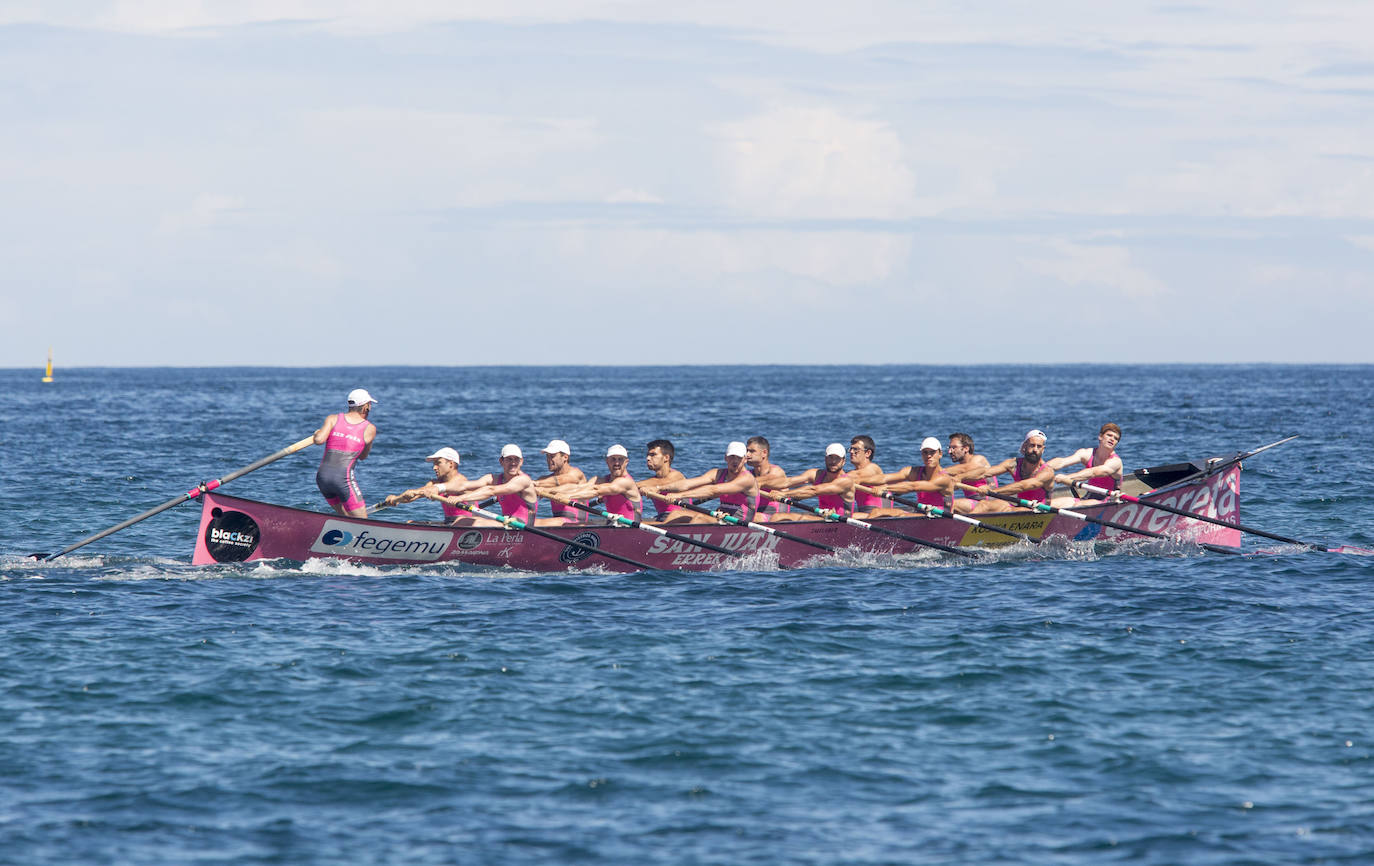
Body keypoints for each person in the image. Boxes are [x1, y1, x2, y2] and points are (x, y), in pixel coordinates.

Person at [425, 443, 538, 526]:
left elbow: (490, 491)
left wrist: (460, 498)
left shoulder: (523, 480)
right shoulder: (493, 478)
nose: (513, 463)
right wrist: (438, 488)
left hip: (523, 528)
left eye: (516, 460)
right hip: (508, 523)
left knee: (467, 521)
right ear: (501, 461)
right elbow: (464, 485)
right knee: (464, 521)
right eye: (509, 459)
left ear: (521, 461)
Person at [656, 440, 760, 524]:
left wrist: (679, 495)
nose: (735, 461)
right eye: (732, 457)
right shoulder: (718, 473)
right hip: (721, 518)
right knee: (676, 514)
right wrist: (658, 488)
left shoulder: (747, 479)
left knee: (700, 519)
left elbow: (713, 490)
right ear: (725, 458)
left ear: (745, 459)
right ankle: (657, 540)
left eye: (739, 458)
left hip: (739, 524)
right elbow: (687, 483)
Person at [313, 388, 378, 518]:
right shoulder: (370, 428)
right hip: (342, 480)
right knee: (362, 521)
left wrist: (316, 433)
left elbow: (319, 440)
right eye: (369, 404)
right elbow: (363, 457)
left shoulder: (332, 419)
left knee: (344, 518)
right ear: (365, 407)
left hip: (322, 478)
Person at [545, 444, 643, 523]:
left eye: (620, 459)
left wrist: (567, 496)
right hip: (613, 526)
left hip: (630, 529)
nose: (616, 463)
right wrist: (548, 491)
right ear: (607, 461)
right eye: (613, 459)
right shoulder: (600, 479)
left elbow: (595, 491)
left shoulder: (626, 482)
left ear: (626, 462)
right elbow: (580, 487)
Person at [964, 429, 1055, 513]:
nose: (1035, 449)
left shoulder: (1047, 472)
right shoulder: (1013, 464)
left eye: (1039, 447)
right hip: (1020, 507)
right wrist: (958, 478)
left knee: (1006, 508)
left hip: (1039, 511)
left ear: (1043, 450)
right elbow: (985, 472)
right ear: (1025, 446)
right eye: (1032, 445)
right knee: (983, 504)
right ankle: (964, 527)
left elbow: (1023, 486)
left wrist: (992, 492)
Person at [865, 437, 955, 517]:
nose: (928, 456)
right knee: (876, 512)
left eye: (932, 452)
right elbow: (884, 478)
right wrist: (858, 481)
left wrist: (886, 487)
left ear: (940, 454)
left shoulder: (944, 478)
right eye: (925, 452)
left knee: (900, 515)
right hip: (922, 514)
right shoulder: (915, 472)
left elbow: (913, 486)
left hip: (939, 517)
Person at [763, 443, 855, 520]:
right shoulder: (816, 474)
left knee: (778, 517)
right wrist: (760, 484)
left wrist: (783, 494)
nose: (833, 461)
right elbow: (787, 482)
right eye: (830, 457)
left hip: (839, 522)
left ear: (843, 461)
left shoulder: (846, 481)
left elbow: (813, 490)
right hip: (823, 517)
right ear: (825, 459)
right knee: (777, 517)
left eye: (837, 458)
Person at [380, 447, 468, 523]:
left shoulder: (461, 481)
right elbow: (414, 496)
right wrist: (396, 499)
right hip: (449, 522)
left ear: (451, 464)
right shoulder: (435, 483)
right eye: (434, 464)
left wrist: (415, 492)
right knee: (410, 523)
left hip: (466, 524)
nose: (434, 468)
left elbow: (451, 486)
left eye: (438, 463)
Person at [1048, 422, 1124, 506]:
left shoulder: (1115, 462)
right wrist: (1044, 468)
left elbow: (1093, 472)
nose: (1112, 439)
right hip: (1089, 497)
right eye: (1109, 435)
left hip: (1109, 501)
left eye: (1116, 438)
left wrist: (1067, 478)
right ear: (1100, 436)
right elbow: (1062, 462)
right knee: (1049, 504)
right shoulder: (1087, 453)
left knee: (1078, 505)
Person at [533, 439, 588, 525]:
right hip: (559, 522)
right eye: (547, 456)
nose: (548, 460)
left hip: (577, 523)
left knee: (535, 523)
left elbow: (560, 480)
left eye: (552, 456)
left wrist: (537, 484)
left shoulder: (576, 474)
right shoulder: (545, 479)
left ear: (565, 457)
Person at [945, 432, 996, 514]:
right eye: (949, 447)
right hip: (973, 503)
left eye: (954, 447)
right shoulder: (958, 470)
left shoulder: (979, 459)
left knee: (953, 504)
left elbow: (966, 468)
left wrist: (939, 472)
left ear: (966, 448)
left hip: (989, 502)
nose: (949, 451)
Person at [638, 439, 687, 522]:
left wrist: (629, 485)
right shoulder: (651, 481)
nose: (648, 458)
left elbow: (661, 482)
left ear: (666, 458)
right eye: (647, 455)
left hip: (679, 519)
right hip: (662, 518)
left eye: (653, 455)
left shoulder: (677, 476)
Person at [746, 435, 791, 521]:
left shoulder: (776, 472)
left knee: (754, 517)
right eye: (747, 451)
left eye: (752, 451)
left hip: (777, 517)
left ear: (764, 453)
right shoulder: (749, 474)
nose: (747, 454)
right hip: (756, 515)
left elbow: (760, 481)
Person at [846, 435, 887, 517]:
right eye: (851, 449)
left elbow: (857, 476)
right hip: (864, 514)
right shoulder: (851, 473)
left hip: (880, 515)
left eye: (856, 449)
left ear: (867, 453)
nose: (851, 452)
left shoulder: (873, 468)